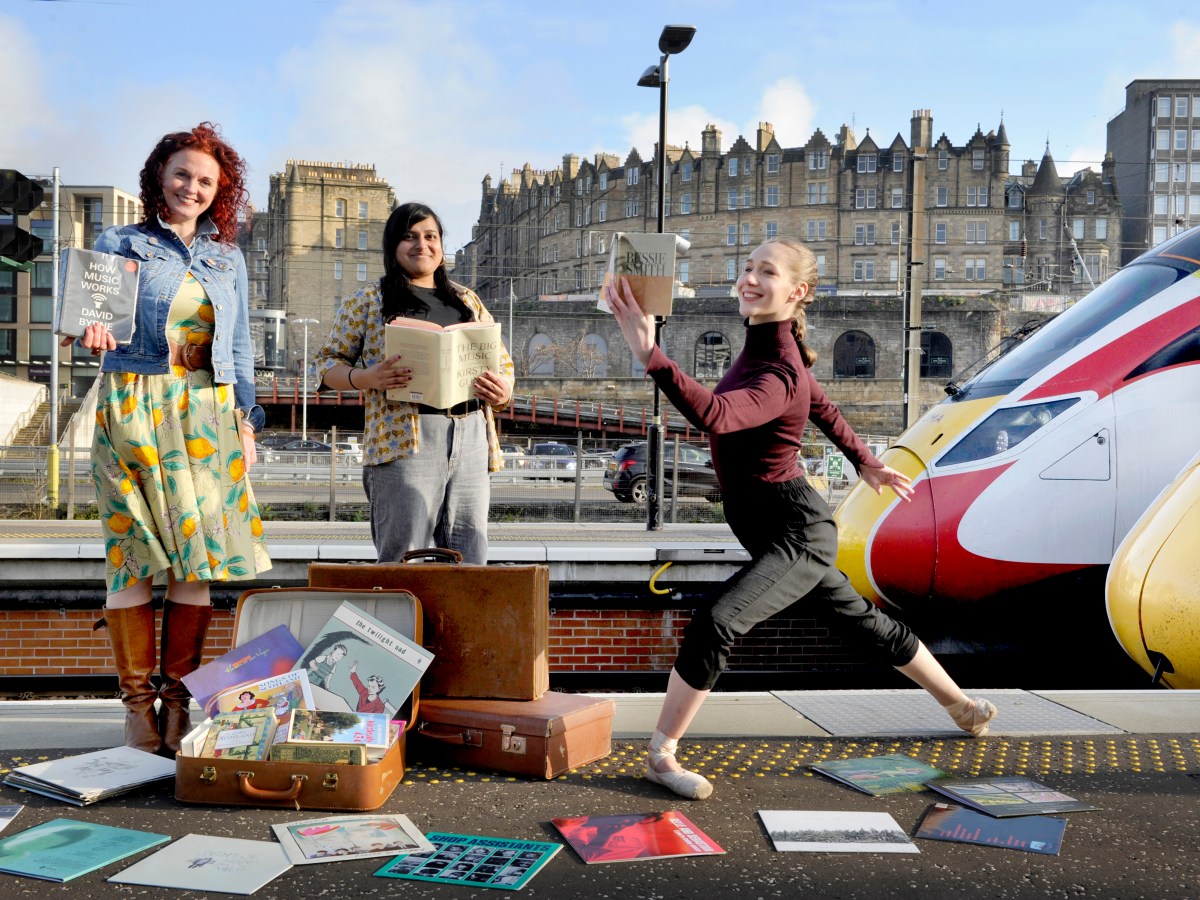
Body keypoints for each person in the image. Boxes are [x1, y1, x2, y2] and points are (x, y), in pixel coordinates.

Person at [604, 238, 996, 801]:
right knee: (862, 621)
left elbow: (718, 416)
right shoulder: (769, 351)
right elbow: (823, 405)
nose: (749, 279)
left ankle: (661, 755)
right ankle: (961, 706)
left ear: (797, 291)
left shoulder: (778, 367)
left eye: (767, 272)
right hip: (770, 526)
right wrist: (867, 463)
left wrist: (652, 356)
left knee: (718, 621)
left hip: (796, 531)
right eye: (747, 268)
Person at [72, 122, 271, 757]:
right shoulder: (121, 242)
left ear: (221, 192)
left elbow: (238, 348)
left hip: (207, 414)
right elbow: (86, 318)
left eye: (206, 181)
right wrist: (88, 331)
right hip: (135, 401)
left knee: (199, 561)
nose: (192, 187)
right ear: (161, 175)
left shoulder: (228, 258)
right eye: (183, 174)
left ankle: (178, 702)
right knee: (132, 552)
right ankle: (137, 706)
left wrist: (247, 419)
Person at [313, 202, 514, 564]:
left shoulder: (467, 300)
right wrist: (366, 377)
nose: (421, 245)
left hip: (470, 436)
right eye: (409, 237)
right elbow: (326, 365)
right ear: (393, 247)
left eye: (430, 236)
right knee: (403, 558)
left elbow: (502, 363)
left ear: (441, 246)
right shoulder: (367, 302)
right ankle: (404, 621)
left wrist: (503, 391)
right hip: (404, 439)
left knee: (471, 558)